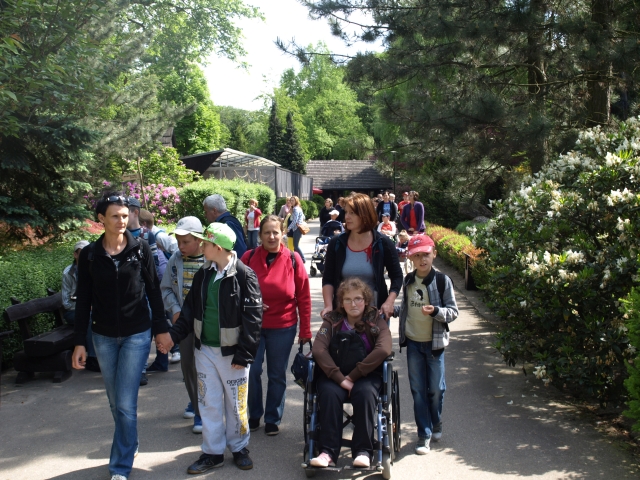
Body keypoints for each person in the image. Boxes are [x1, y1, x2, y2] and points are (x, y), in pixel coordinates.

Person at [72, 192, 172, 480]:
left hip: (136, 334)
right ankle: (130, 441)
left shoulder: (141, 249)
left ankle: (120, 466)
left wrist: (161, 329)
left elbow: (153, 291)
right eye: (115, 216)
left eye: (125, 216)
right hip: (102, 336)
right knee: (115, 401)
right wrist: (80, 342)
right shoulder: (90, 255)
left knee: (126, 402)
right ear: (101, 218)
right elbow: (83, 300)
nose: (121, 221)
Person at [156, 223, 262, 474]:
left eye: (206, 243)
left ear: (219, 247)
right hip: (204, 352)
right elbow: (189, 311)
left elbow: (253, 318)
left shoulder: (244, 275)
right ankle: (213, 453)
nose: (202, 246)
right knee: (208, 403)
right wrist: (172, 337)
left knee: (236, 405)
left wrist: (244, 353)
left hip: (233, 355)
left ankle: (239, 448)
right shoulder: (204, 274)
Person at [241, 215, 312, 436]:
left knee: (276, 374)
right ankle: (254, 414)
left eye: (275, 232)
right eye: (267, 232)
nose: (271, 237)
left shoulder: (293, 258)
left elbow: (304, 296)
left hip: (283, 326)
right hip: (252, 326)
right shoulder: (248, 257)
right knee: (251, 371)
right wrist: (250, 303)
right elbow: (235, 289)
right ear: (259, 235)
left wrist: (305, 329)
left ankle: (273, 418)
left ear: (283, 233)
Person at [310, 278, 392, 468]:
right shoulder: (332, 321)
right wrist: (340, 378)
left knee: (365, 394)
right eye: (347, 299)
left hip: (366, 375)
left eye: (358, 299)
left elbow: (383, 349)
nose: (353, 304)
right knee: (328, 394)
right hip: (335, 375)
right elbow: (318, 350)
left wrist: (352, 376)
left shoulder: (376, 320)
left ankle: (363, 451)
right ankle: (327, 452)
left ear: (366, 300)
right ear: (341, 302)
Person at [396, 234, 458, 454]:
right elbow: (406, 307)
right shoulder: (408, 281)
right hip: (413, 343)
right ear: (411, 258)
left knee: (437, 390)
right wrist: (392, 311)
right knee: (418, 391)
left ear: (434, 255)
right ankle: (424, 434)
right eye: (417, 256)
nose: (422, 259)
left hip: (435, 345)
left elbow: (453, 312)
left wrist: (436, 311)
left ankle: (436, 421)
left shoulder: (442, 281)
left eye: (426, 255)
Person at [321, 192, 403, 321]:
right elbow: (328, 278)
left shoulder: (383, 243)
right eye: (346, 212)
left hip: (375, 316)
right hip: (343, 316)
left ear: (365, 214)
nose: (347, 217)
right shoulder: (336, 243)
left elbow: (397, 276)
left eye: (352, 213)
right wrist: (328, 306)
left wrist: (389, 302)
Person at [160, 216, 206, 432]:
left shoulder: (210, 258)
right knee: (188, 366)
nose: (181, 246)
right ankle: (197, 406)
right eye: (178, 242)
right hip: (184, 324)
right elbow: (166, 288)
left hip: (208, 323)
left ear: (199, 240)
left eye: (186, 242)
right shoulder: (175, 259)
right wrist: (175, 309)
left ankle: (202, 408)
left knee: (206, 367)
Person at [62, 241, 101, 372]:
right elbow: (66, 303)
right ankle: (92, 358)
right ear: (75, 255)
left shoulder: (95, 268)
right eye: (81, 252)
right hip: (72, 311)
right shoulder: (68, 273)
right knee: (89, 318)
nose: (86, 255)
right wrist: (85, 304)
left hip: (92, 308)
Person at [203, 194, 248, 258]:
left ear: (214, 211)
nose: (205, 215)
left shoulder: (228, 223)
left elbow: (241, 251)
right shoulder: (226, 222)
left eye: (206, 212)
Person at [286, 195, 306, 263]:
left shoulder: (295, 209)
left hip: (297, 229)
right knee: (295, 246)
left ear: (296, 201)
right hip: (297, 229)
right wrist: (300, 221)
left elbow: (294, 221)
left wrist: (288, 228)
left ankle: (303, 259)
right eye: (290, 200)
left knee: (296, 246)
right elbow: (304, 217)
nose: (291, 202)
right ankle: (298, 259)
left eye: (293, 200)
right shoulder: (298, 208)